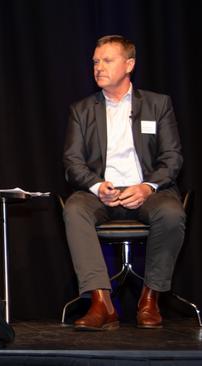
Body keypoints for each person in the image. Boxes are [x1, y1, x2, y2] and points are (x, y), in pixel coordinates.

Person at [63, 35, 185, 331]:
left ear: (129, 64)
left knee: (171, 214)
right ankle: (101, 303)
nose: (98, 67)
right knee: (74, 210)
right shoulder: (81, 110)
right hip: (101, 194)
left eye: (107, 60)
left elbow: (172, 157)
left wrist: (146, 187)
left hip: (146, 191)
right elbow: (72, 162)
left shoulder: (158, 104)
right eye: (95, 61)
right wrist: (97, 185)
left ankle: (150, 299)